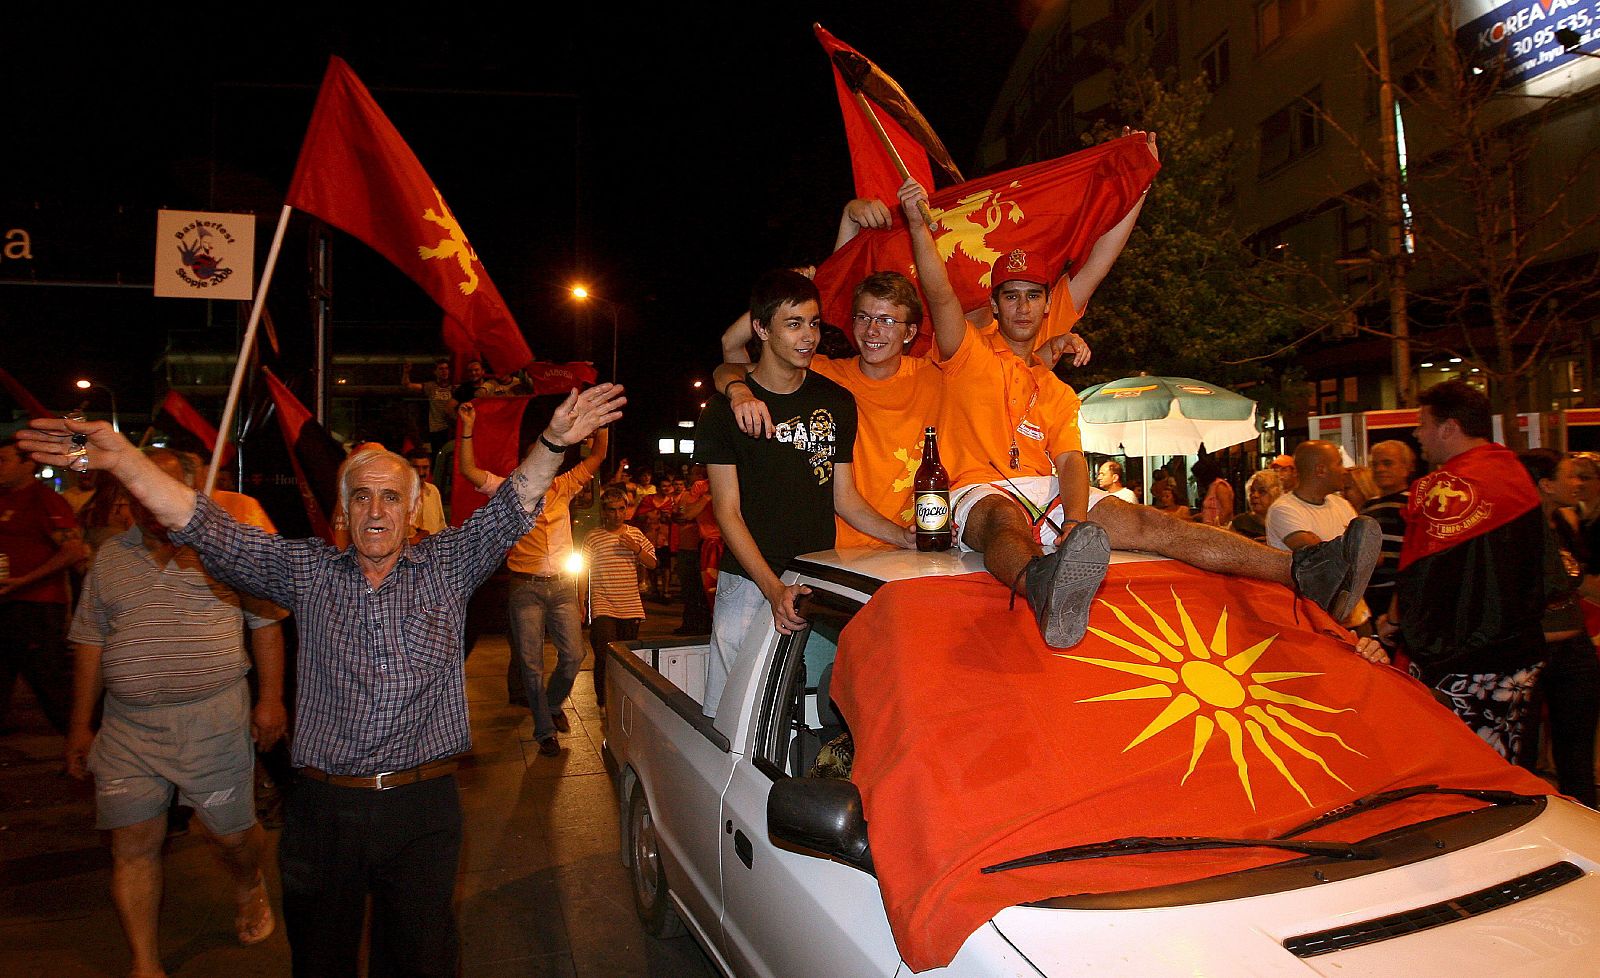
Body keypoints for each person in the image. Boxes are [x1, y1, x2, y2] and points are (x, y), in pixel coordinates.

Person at [18, 382, 626, 978]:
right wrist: (123, 459)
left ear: (414, 510)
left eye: (392, 497)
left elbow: (512, 506)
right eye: (362, 497)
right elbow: (205, 526)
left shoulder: (448, 566)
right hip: (323, 812)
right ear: (342, 511)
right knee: (321, 961)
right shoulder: (307, 572)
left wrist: (551, 440)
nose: (377, 511)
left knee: (421, 959)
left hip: (422, 811)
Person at [66, 449, 287, 976]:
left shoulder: (226, 551)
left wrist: (271, 700)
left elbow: (266, 624)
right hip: (128, 729)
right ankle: (146, 963)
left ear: (191, 492)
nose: (144, 500)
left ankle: (247, 880)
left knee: (231, 837)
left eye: (155, 487)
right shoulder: (112, 558)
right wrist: (80, 725)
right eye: (134, 489)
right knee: (133, 844)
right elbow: (91, 643)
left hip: (213, 722)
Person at [694, 269, 916, 714]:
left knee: (813, 712)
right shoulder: (725, 412)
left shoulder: (834, 401)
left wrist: (903, 537)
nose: (808, 336)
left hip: (816, 582)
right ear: (761, 329)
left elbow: (844, 498)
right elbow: (728, 513)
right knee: (731, 715)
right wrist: (772, 588)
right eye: (793, 324)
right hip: (749, 584)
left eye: (813, 323)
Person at [1376, 380, 1545, 761]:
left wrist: (1394, 621)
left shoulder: (1440, 490)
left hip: (1456, 662)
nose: (1417, 433)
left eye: (1422, 423)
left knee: (1453, 765)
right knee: (1507, 762)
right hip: (1516, 655)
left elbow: (1419, 575)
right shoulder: (1517, 476)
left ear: (1449, 427)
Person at [456, 400, 605, 757]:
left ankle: (552, 706)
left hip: (562, 587)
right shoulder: (510, 489)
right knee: (531, 662)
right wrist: (466, 427)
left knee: (573, 655)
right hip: (525, 587)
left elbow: (597, 457)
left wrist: (600, 425)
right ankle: (543, 730)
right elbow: (469, 470)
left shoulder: (564, 486)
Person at [1517, 449, 1599, 806]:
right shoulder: (1517, 530)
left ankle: (1586, 819)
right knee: (1525, 749)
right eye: (1571, 476)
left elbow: (1581, 582)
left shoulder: (1566, 522)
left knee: (1577, 749)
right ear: (1546, 485)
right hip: (1533, 648)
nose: (1578, 483)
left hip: (1574, 648)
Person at [0, 435, 85, 734]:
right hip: (6, 603)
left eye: (4, 460)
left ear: (28, 465)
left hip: (35, 607)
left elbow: (74, 550)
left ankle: (81, 744)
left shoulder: (45, 499)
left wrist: (25, 580)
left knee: (49, 683)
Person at [583, 487, 656, 707]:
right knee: (605, 654)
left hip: (630, 606)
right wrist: (581, 603)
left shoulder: (634, 534)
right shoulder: (593, 537)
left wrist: (636, 549)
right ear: (604, 512)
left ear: (627, 510)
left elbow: (652, 562)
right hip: (603, 604)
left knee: (627, 657)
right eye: (611, 510)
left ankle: (624, 698)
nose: (616, 514)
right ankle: (603, 700)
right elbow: (582, 573)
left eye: (621, 509)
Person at [1265, 440, 1357, 553]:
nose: (1344, 471)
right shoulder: (1284, 510)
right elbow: (1320, 556)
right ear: (1321, 470)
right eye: (1339, 464)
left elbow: (1370, 554)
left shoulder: (1342, 505)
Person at [1362, 440, 1415, 623]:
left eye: (1387, 463)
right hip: (1371, 592)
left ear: (1407, 467)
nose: (1380, 469)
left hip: (1400, 591)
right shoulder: (1369, 506)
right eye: (1375, 464)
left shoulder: (1414, 502)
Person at [401, 358, 458, 457]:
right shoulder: (431, 386)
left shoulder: (455, 387)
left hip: (451, 428)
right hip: (436, 428)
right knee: (438, 455)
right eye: (441, 369)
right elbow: (407, 385)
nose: (444, 371)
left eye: (446, 368)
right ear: (435, 372)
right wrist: (406, 372)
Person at [1229, 469, 1281, 541]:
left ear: (1276, 494)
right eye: (1252, 491)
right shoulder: (1240, 523)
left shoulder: (1284, 521)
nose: (1254, 495)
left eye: (1262, 491)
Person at [406, 448, 447, 539]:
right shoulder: (399, 493)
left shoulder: (433, 491)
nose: (420, 473)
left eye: (425, 468)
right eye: (416, 467)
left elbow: (441, 525)